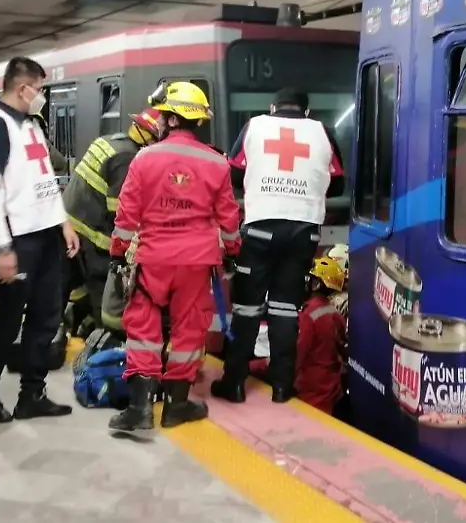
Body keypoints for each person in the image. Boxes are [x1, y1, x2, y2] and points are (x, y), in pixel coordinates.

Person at [107, 81, 241, 433]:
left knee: (143, 329)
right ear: (198, 122)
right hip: (197, 263)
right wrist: (232, 252)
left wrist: (118, 253)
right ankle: (176, 406)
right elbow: (229, 219)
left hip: (153, 260)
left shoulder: (144, 157)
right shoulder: (217, 162)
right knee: (188, 330)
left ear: (168, 118)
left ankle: (139, 408)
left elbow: (126, 214)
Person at [0, 56, 81, 423]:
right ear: (23, 88)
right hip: (15, 240)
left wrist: (62, 222)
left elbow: (44, 182)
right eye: (40, 89)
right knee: (6, 319)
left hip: (46, 238)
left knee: (46, 317)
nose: (42, 96)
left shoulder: (31, 126)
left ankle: (32, 393)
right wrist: (2, 247)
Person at [212, 87, 345, 404]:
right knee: (286, 307)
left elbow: (232, 172)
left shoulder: (255, 125)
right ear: (306, 111)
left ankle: (235, 383)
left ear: (272, 108)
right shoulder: (322, 131)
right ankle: (283, 387)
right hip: (304, 231)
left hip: (261, 226)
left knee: (247, 308)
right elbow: (338, 182)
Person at [63, 107, 162, 336]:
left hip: (71, 222)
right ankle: (102, 333)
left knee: (77, 281)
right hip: (91, 231)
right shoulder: (127, 158)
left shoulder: (111, 141)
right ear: (150, 137)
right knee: (103, 284)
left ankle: (80, 319)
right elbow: (118, 211)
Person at [249, 256, 347, 414]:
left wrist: (252, 367)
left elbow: (291, 358)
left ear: (315, 284)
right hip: (330, 392)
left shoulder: (308, 316)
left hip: (310, 397)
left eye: (307, 279)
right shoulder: (334, 313)